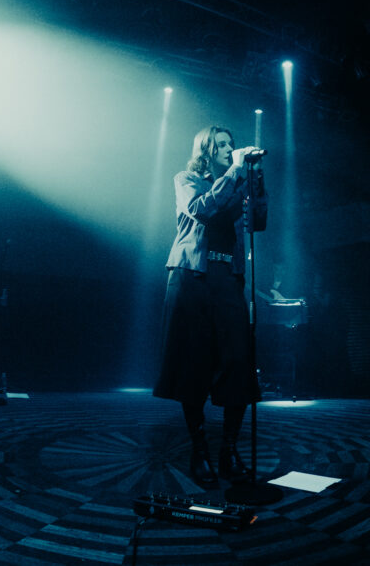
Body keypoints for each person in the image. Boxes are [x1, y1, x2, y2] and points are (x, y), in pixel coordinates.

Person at [153, 125, 267, 487]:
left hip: (228, 279)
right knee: (193, 363)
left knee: (238, 362)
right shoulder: (186, 179)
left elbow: (259, 222)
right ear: (205, 149)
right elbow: (201, 210)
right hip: (192, 277)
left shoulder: (237, 183)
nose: (230, 148)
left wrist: (255, 178)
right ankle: (199, 449)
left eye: (231, 144)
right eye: (221, 144)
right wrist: (234, 172)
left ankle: (228, 450)